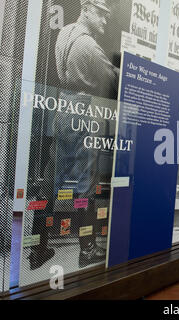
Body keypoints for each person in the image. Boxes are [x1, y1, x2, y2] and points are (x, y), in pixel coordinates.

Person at [29, 0, 119, 270]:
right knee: (85, 187)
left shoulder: (65, 33)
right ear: (88, 8)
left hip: (62, 111)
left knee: (49, 184)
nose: (105, 21)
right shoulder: (89, 46)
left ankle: (37, 249)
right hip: (82, 114)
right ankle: (87, 249)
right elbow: (113, 80)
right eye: (102, 14)